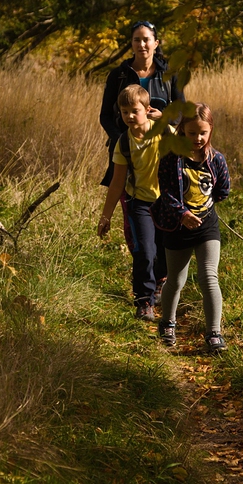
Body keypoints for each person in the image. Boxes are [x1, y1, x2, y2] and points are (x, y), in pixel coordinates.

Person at [152, 103, 231, 354]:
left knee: (209, 277)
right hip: (177, 226)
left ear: (210, 132)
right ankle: (167, 323)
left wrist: (203, 209)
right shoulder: (171, 159)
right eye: (192, 132)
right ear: (182, 131)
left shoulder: (216, 159)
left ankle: (214, 333)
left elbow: (223, 190)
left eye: (203, 133)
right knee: (176, 280)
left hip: (206, 225)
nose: (198, 138)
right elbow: (165, 192)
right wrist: (183, 213)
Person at [97, 85, 168, 321]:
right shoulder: (123, 143)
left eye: (134, 111)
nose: (128, 116)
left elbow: (190, 146)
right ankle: (144, 301)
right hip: (140, 204)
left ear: (147, 110)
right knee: (144, 252)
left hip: (166, 202)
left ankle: (159, 282)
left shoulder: (163, 131)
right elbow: (117, 183)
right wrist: (105, 216)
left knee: (164, 253)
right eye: (124, 111)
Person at [99, 20, 183, 189]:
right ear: (131, 43)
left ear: (156, 43)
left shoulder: (170, 74)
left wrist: (163, 117)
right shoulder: (118, 75)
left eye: (146, 39)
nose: (142, 44)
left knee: (159, 200)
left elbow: (181, 111)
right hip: (126, 151)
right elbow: (105, 116)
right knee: (126, 199)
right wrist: (121, 139)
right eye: (137, 40)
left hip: (160, 148)